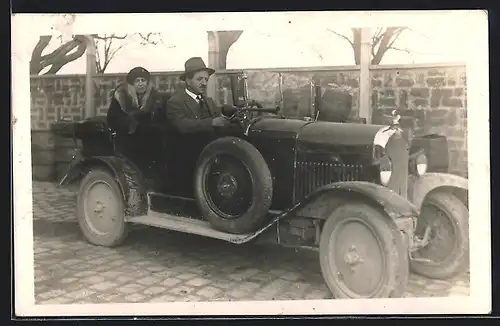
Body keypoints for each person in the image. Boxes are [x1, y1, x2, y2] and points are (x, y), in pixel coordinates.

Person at [165, 57, 231, 134]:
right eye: (199, 79)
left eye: (206, 79)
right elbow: (182, 125)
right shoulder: (175, 102)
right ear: (188, 81)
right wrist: (211, 122)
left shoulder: (209, 101)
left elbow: (219, 120)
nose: (204, 83)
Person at [107, 66, 164, 135]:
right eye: (137, 81)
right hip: (127, 139)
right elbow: (112, 121)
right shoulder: (121, 98)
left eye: (143, 80)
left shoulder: (156, 98)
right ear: (132, 84)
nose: (140, 84)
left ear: (147, 83)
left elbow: (161, 122)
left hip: (150, 140)